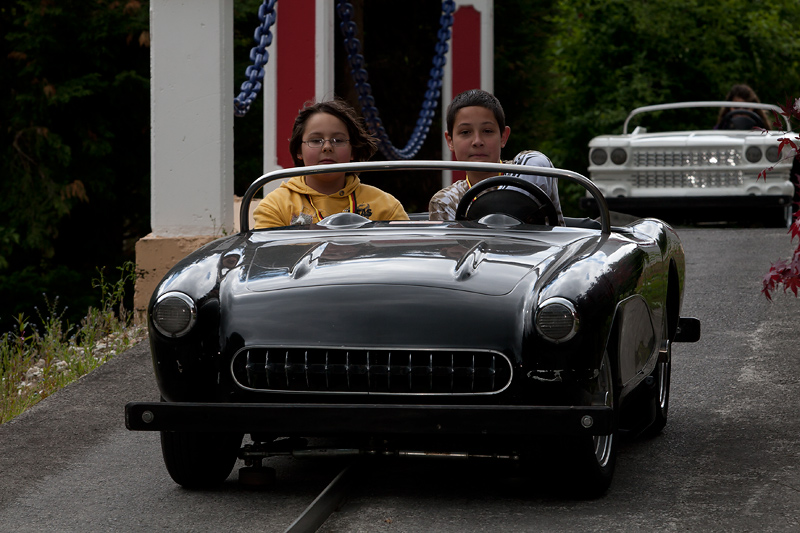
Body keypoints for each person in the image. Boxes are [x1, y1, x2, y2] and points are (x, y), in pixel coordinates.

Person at [253, 99, 408, 228]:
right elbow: (267, 255)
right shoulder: (275, 206)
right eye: (316, 140)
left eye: (338, 140)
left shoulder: (386, 206)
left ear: (353, 151)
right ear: (299, 151)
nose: (327, 147)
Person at [428, 89, 564, 224]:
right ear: (450, 141)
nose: (477, 141)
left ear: (503, 137)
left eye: (487, 131)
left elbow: (537, 162)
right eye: (465, 132)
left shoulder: (526, 169)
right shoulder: (445, 201)